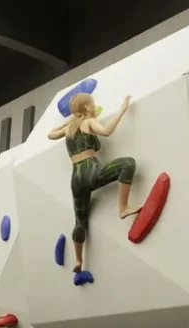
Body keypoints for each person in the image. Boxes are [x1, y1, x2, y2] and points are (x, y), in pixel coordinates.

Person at [47, 93, 141, 273]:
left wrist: (70, 120)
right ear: (88, 107)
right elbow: (106, 131)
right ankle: (123, 207)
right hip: (91, 171)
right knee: (128, 164)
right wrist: (122, 110)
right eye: (92, 104)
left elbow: (50, 135)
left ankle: (78, 260)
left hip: (76, 179)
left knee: (79, 221)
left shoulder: (69, 129)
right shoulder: (89, 122)